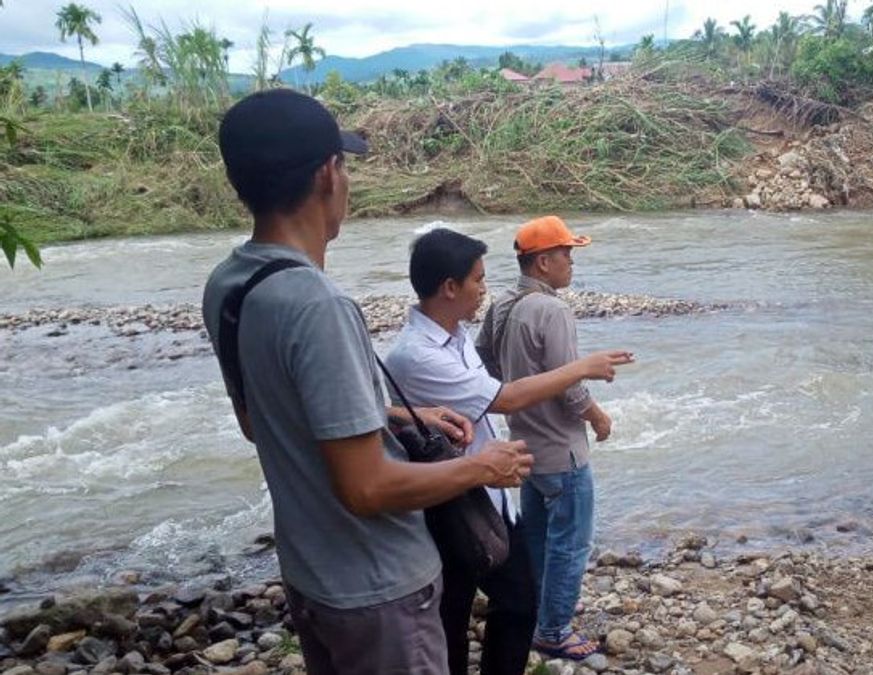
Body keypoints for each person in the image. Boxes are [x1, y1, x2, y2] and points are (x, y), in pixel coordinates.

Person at [201, 89, 532, 675]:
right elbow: (368, 488)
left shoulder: (230, 285)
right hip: (378, 588)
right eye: (345, 164)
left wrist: (404, 416)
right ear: (328, 174)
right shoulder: (318, 304)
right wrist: (487, 467)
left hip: (312, 573)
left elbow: (262, 423)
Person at [385, 228, 632, 674]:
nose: (485, 288)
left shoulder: (472, 324)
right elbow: (507, 396)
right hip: (455, 498)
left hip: (497, 480)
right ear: (449, 287)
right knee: (459, 611)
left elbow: (491, 378)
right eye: (477, 279)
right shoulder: (418, 354)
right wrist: (585, 374)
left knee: (515, 596)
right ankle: (547, 634)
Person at [475, 216, 617, 660]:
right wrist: (598, 418)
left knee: (537, 537)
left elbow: (484, 366)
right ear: (541, 263)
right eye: (565, 254)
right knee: (571, 543)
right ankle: (553, 629)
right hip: (562, 450)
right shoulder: (552, 310)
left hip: (525, 446)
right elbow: (571, 387)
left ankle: (532, 613)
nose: (571, 262)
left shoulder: (502, 304)